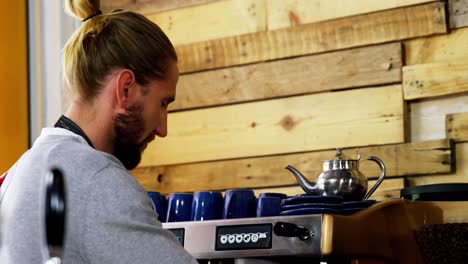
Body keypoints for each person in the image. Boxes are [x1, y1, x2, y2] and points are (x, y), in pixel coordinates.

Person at [0, 0, 198, 263]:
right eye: (163, 103)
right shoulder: (97, 179)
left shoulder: (16, 174)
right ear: (125, 89)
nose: (162, 129)